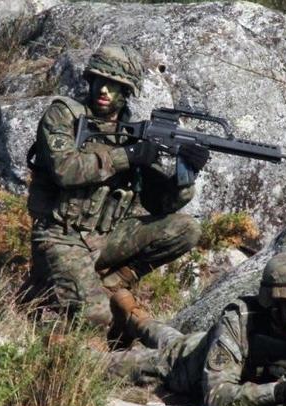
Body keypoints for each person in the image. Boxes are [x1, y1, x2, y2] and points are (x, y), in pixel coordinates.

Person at [24, 44, 209, 329]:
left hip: (107, 239)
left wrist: (186, 175)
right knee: (101, 320)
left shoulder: (130, 135)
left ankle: (113, 281)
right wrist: (129, 156)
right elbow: (65, 170)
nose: (104, 91)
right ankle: (43, 287)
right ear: (90, 81)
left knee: (187, 229)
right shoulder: (64, 116)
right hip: (61, 237)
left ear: (126, 93)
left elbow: (160, 205)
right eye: (100, 82)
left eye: (115, 86)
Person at [107, 250, 286, 406]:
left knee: (170, 337)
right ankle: (125, 319)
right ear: (274, 304)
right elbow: (215, 395)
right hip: (185, 364)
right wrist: (279, 392)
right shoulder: (239, 321)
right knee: (103, 365)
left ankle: (132, 315)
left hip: (203, 343)